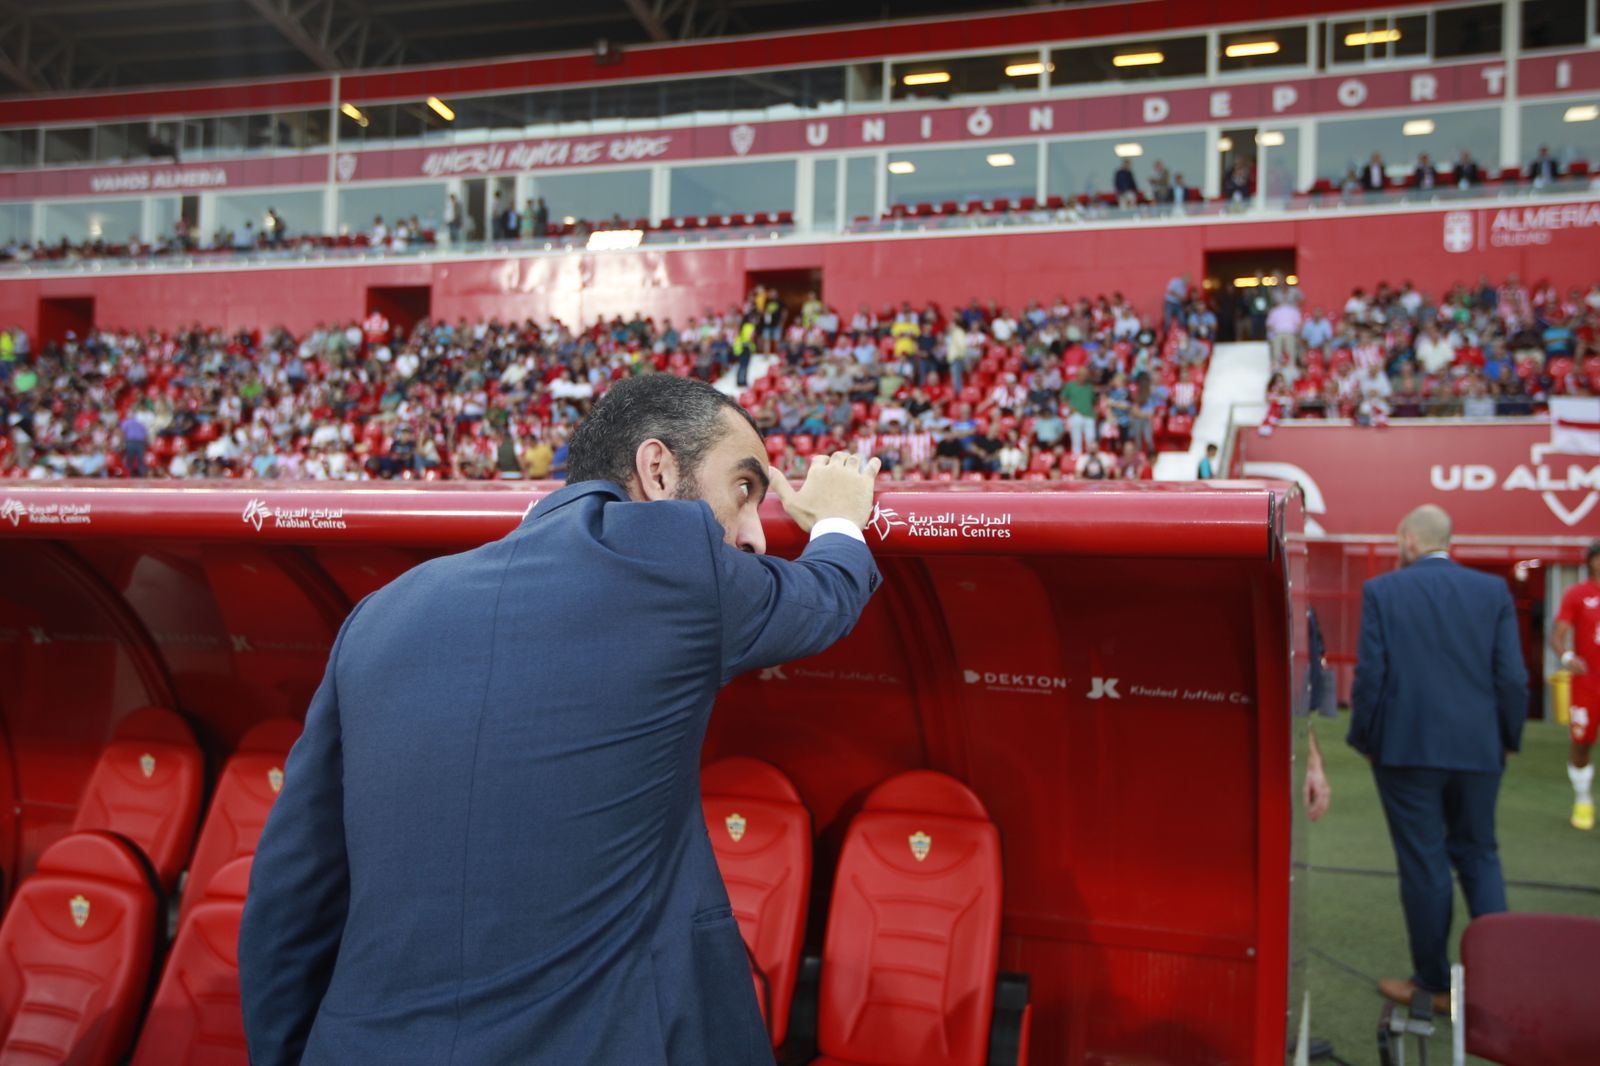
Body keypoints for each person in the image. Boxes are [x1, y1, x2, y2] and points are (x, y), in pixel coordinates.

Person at [239, 375, 883, 1066]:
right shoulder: (678, 564)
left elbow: (291, 899)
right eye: (745, 490)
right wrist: (841, 516)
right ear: (658, 470)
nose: (755, 535)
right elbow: (824, 596)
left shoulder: (383, 612)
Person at [1347, 505, 1527, 1011]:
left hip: (1406, 750)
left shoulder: (1383, 591)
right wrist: (1507, 739)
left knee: (1424, 864)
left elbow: (1370, 678)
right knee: (1479, 854)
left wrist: (1364, 740)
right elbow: (1511, 677)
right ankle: (1505, 985)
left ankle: (1431, 984)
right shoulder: (1491, 592)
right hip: (1478, 749)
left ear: (1407, 539)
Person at [1552, 539, 1600, 830]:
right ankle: (1583, 799)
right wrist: (1567, 655)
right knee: (1581, 743)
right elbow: (1557, 634)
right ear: (1591, 561)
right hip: (1587, 682)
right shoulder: (1577, 594)